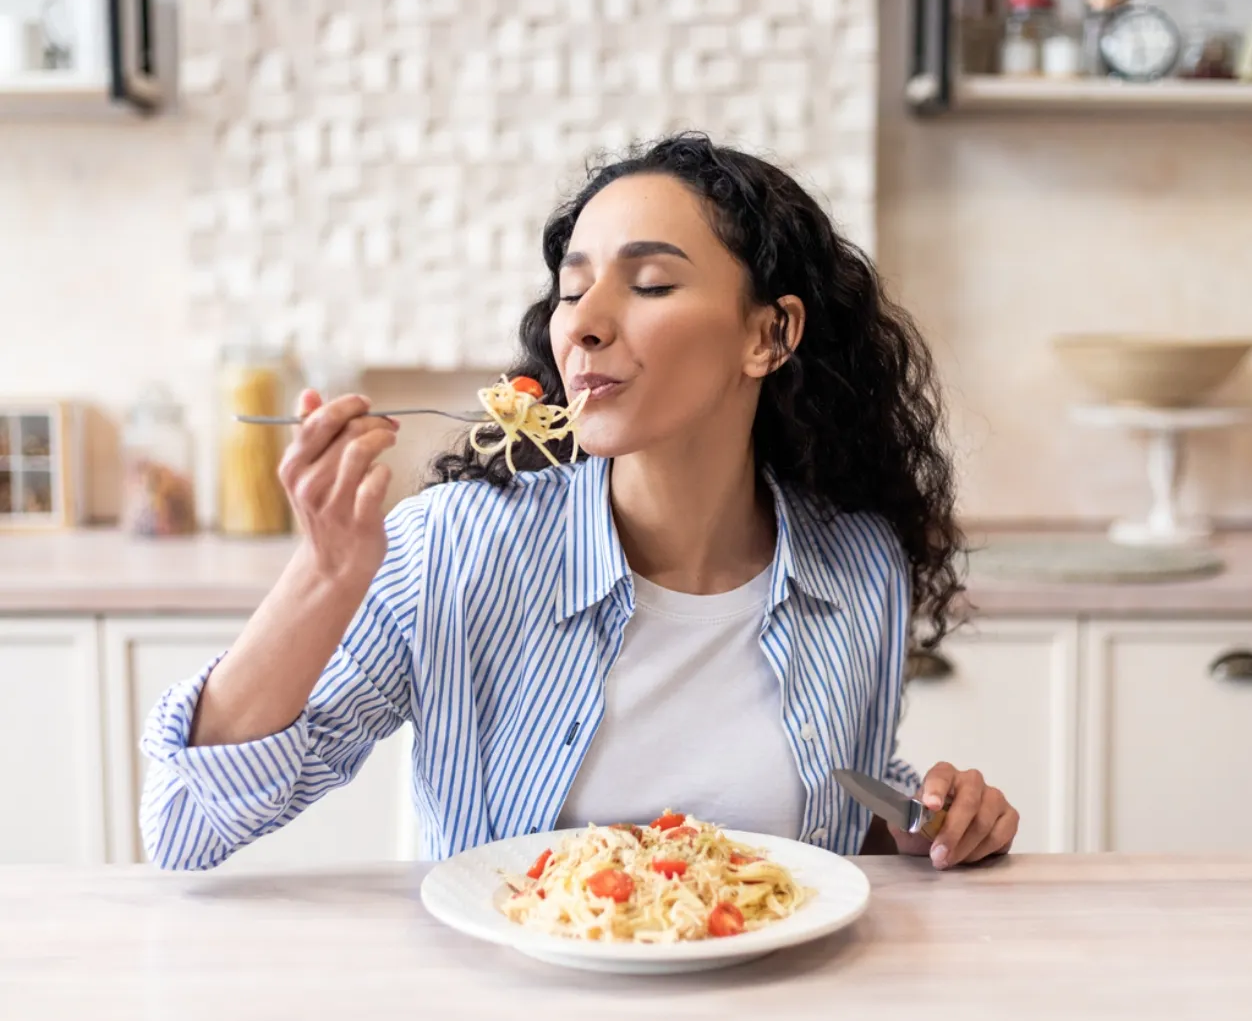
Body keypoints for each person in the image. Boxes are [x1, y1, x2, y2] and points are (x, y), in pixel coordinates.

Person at [141, 132, 1018, 871]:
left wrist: (929, 818)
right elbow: (184, 827)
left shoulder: (858, 566)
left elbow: (834, 813)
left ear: (768, 334)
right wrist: (326, 575)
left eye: (649, 285)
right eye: (571, 287)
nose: (583, 323)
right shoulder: (456, 548)